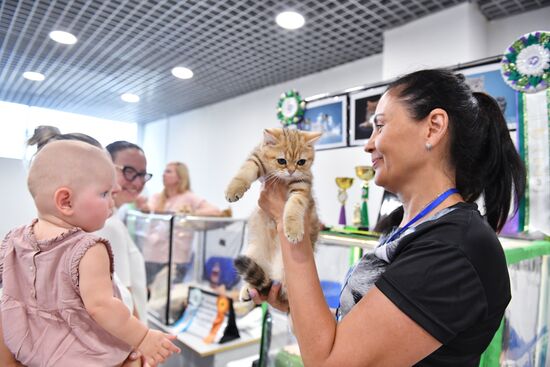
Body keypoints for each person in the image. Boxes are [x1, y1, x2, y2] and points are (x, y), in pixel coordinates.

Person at [251, 69, 526, 366]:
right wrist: (296, 306)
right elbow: (355, 338)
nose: (368, 144)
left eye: (379, 126)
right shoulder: (409, 230)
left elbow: (329, 363)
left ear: (433, 128)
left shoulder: (453, 249)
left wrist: (290, 224)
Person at [0, 140, 180, 367]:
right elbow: (102, 306)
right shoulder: (89, 248)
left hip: (30, 355)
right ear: (65, 201)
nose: (111, 202)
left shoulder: (14, 238)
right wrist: (143, 337)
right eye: (104, 193)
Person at [96, 141, 151, 321]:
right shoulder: (109, 224)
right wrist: (142, 342)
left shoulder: (114, 218)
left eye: (142, 175)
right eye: (129, 171)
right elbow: (122, 300)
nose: (137, 182)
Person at [144, 162, 223, 285]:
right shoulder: (157, 197)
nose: (163, 174)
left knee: (169, 298)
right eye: (164, 171)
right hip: (152, 255)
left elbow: (215, 211)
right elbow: (146, 209)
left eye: (168, 171)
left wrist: (189, 212)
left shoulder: (190, 198)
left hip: (177, 258)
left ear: (180, 177)